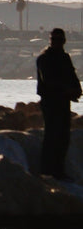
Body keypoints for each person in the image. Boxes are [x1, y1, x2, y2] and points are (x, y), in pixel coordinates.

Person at [35, 28, 81, 178]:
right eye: (54, 40)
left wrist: (76, 90)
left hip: (63, 102)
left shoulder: (64, 58)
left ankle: (59, 170)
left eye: (59, 40)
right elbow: (48, 81)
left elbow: (72, 76)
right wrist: (67, 90)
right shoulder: (44, 58)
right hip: (50, 102)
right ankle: (47, 171)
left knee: (63, 137)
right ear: (50, 41)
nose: (56, 43)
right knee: (51, 136)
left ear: (64, 41)